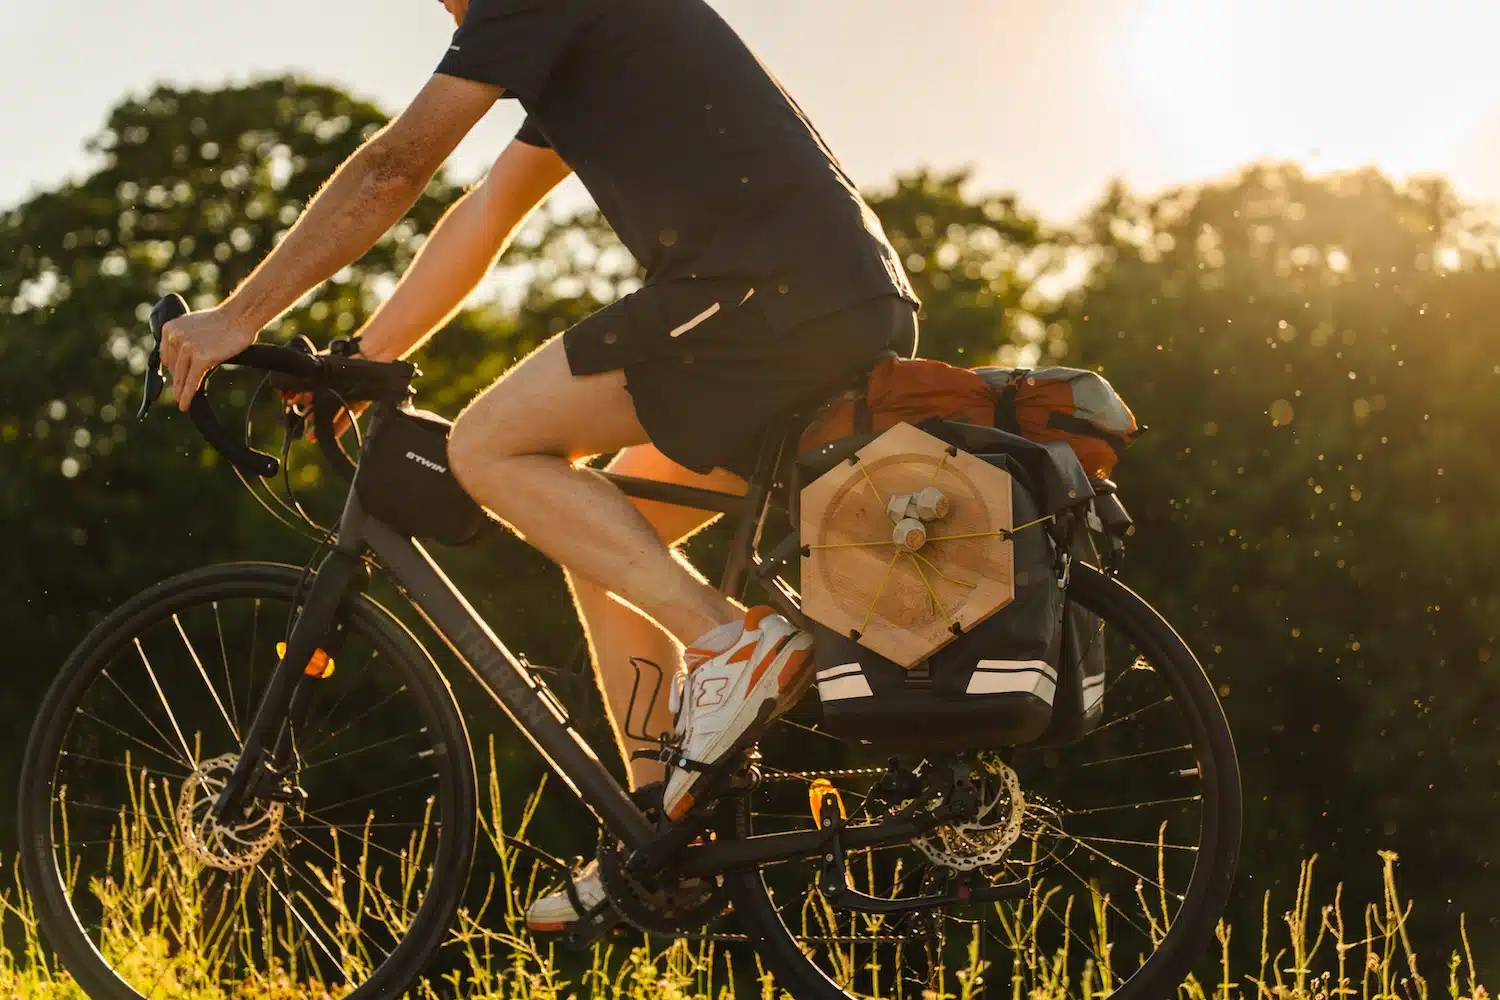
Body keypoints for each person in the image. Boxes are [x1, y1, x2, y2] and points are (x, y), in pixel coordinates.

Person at [158, 0, 919, 930]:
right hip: (827, 299)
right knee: (607, 537)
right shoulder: (578, 32)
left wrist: (241, 316)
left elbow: (396, 165)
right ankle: (663, 833)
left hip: (765, 294)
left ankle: (731, 640)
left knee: (488, 443)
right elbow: (487, 213)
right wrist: (366, 355)